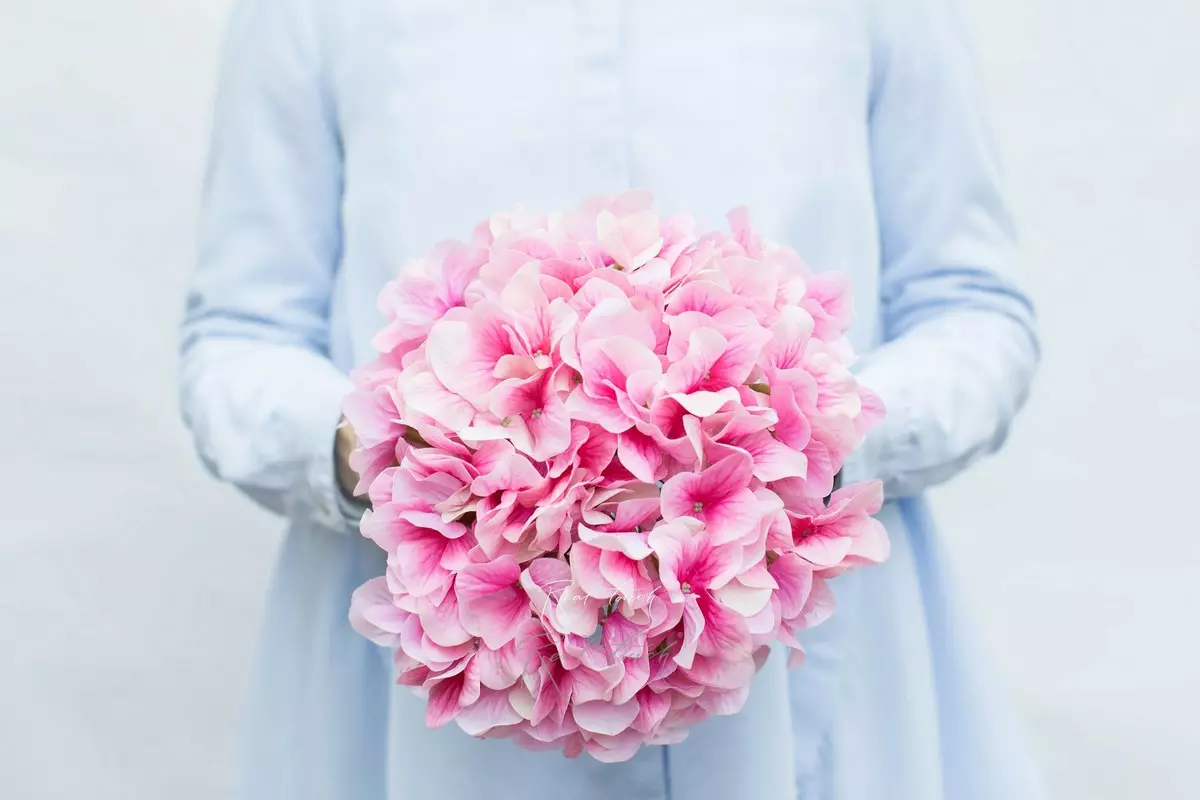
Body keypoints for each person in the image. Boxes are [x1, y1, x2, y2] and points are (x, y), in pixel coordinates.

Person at [180, 0, 1048, 798]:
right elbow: (236, 340)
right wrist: (400, 456)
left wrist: (793, 441)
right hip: (431, 688)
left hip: (804, 667)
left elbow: (972, 308)